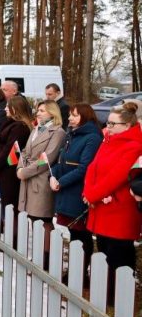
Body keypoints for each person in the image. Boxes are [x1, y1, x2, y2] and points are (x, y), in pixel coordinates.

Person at [83, 102, 142, 300]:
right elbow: (93, 167)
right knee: (104, 248)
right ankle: (106, 291)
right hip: (101, 204)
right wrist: (88, 191)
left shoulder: (134, 146)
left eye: (113, 124)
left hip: (119, 208)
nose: (107, 127)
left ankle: (120, 296)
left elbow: (118, 176)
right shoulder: (107, 140)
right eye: (107, 123)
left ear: (127, 126)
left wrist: (93, 195)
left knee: (119, 253)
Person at [50, 103, 102, 285]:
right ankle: (74, 270)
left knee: (81, 233)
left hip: (77, 190)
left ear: (85, 117)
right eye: (70, 115)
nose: (70, 118)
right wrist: (53, 176)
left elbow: (84, 168)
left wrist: (62, 182)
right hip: (65, 188)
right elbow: (61, 160)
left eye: (74, 115)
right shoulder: (71, 134)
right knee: (73, 232)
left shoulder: (92, 137)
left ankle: (80, 274)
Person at [16, 100, 66, 268]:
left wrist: (26, 171)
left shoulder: (57, 132)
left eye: (42, 110)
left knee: (43, 219)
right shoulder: (37, 129)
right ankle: (39, 255)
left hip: (41, 181)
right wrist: (20, 167)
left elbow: (47, 159)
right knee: (33, 218)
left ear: (52, 113)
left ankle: (47, 259)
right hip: (28, 179)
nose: (38, 113)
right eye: (38, 110)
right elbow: (24, 151)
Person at [0, 96, 33, 210]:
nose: (5, 109)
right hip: (1, 167)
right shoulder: (11, 123)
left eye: (8, 106)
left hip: (7, 171)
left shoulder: (20, 127)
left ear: (16, 108)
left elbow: (10, 148)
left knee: (4, 205)